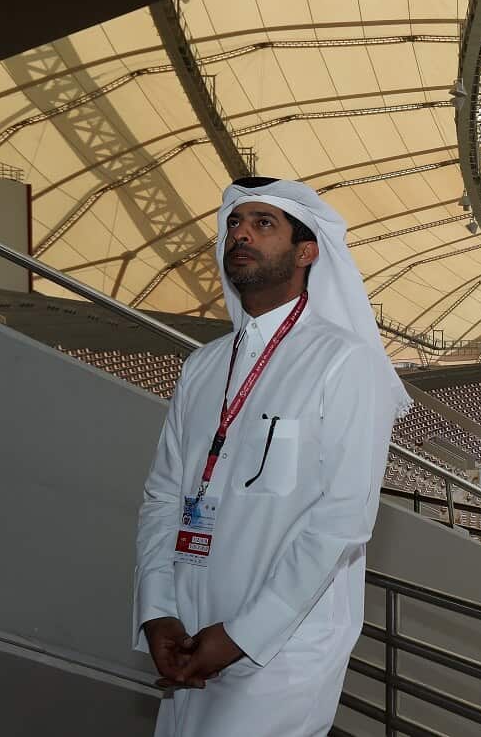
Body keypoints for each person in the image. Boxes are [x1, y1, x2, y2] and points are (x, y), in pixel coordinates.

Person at [132, 177, 411, 737]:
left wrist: (240, 635)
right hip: (190, 632)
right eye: (235, 223)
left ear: (307, 252)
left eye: (264, 224)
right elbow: (164, 495)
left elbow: (342, 522)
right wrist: (157, 610)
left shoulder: (344, 362)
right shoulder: (203, 367)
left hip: (281, 648)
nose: (242, 234)